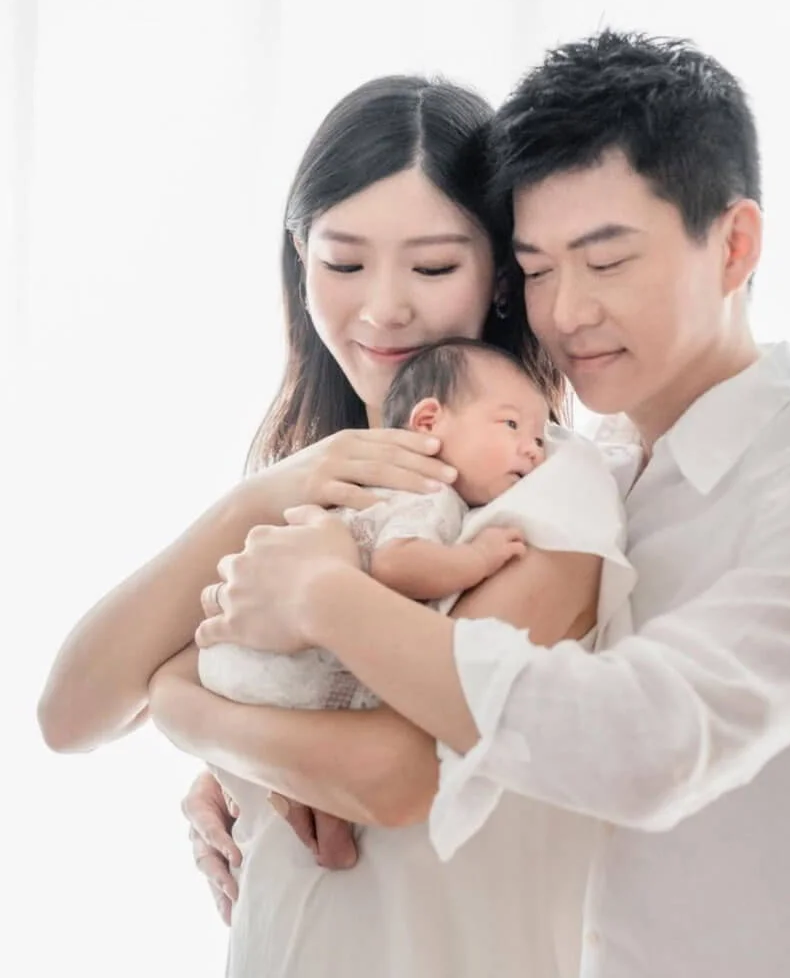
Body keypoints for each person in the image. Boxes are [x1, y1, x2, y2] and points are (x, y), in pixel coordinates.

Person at [196, 32, 790, 978]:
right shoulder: (576, 467)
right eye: (539, 269)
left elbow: (643, 742)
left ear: (734, 246)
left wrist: (321, 599)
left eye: (606, 262)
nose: (564, 314)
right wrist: (241, 756)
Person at [37, 74, 631, 978]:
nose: (384, 307)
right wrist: (253, 501)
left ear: (502, 277)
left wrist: (186, 711)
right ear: (300, 259)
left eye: (434, 267)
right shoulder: (311, 493)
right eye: (344, 264)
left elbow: (390, 776)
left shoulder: (547, 485)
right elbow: (70, 716)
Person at [198, 338, 554, 713]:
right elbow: (397, 563)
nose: (534, 450)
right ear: (428, 422)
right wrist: (478, 557)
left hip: (243, 657)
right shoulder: (426, 492)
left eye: (538, 439)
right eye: (511, 424)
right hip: (271, 663)